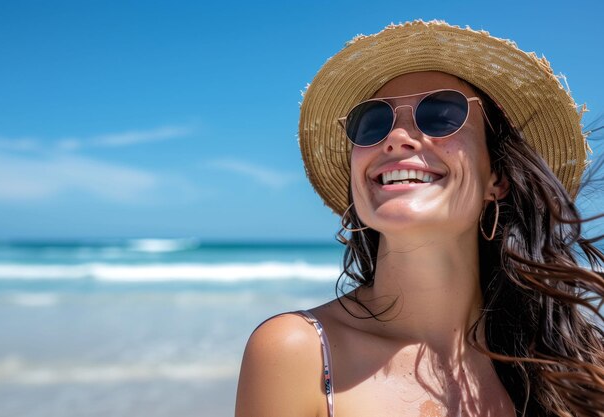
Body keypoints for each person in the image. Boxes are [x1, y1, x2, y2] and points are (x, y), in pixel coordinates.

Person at [235, 20, 604, 417]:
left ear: (496, 178)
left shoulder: (573, 365)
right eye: (372, 123)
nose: (396, 137)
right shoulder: (298, 353)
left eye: (442, 114)